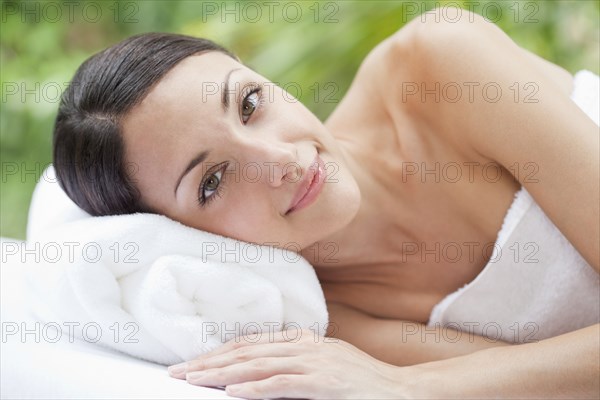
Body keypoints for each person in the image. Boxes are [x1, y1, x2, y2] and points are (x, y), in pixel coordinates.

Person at [52, 8, 599, 399]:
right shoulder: (324, 319)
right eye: (213, 181)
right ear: (183, 235)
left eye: (248, 104)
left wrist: (407, 385)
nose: (279, 158)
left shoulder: (436, 68)